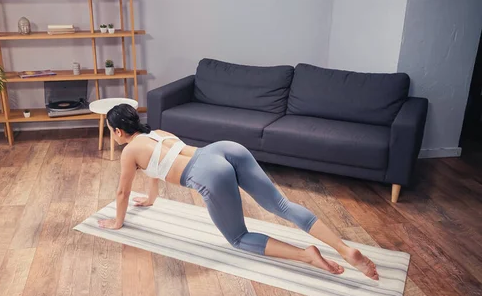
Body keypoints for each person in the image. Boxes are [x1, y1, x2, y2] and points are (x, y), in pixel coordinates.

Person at [98, 104, 379, 280]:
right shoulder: (156, 133)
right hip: (223, 149)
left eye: (112, 131)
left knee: (238, 237)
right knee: (281, 204)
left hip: (208, 172)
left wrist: (118, 221)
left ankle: (307, 255)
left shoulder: (129, 152)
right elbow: (156, 168)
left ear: (120, 132)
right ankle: (343, 248)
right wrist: (150, 199)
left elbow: (122, 193)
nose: (113, 136)